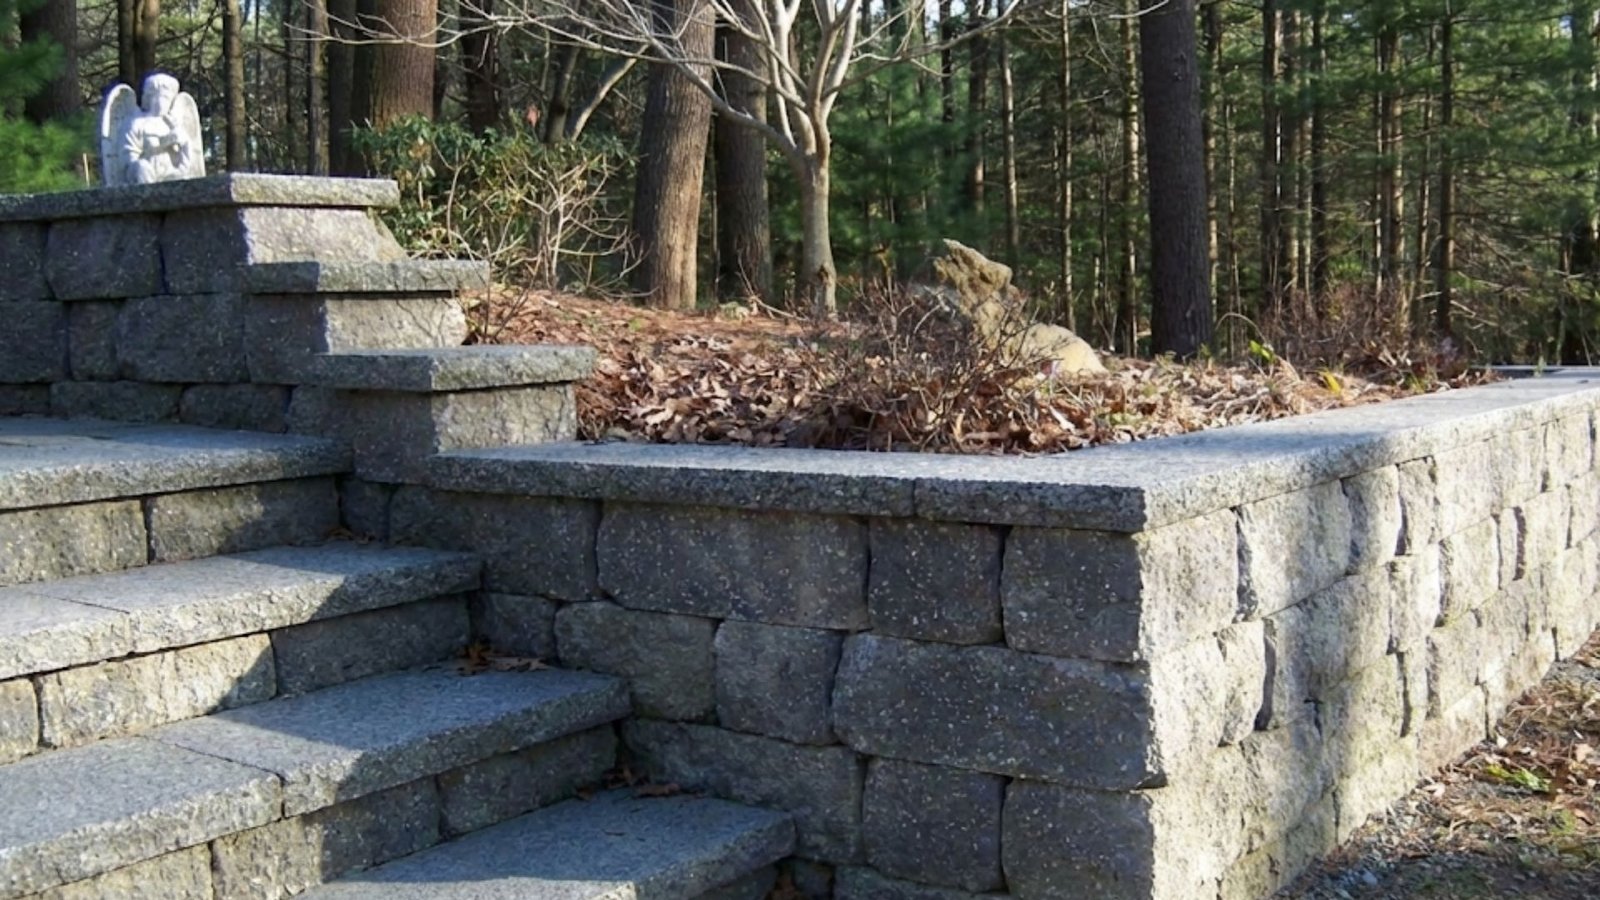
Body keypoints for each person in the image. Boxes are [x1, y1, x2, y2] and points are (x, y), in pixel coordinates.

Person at [120, 74, 195, 185]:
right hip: (145, 175)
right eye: (157, 97)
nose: (161, 102)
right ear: (148, 98)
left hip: (169, 174)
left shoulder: (173, 124)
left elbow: (187, 158)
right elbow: (128, 161)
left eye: (166, 98)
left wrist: (182, 142)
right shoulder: (137, 124)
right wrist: (161, 144)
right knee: (142, 168)